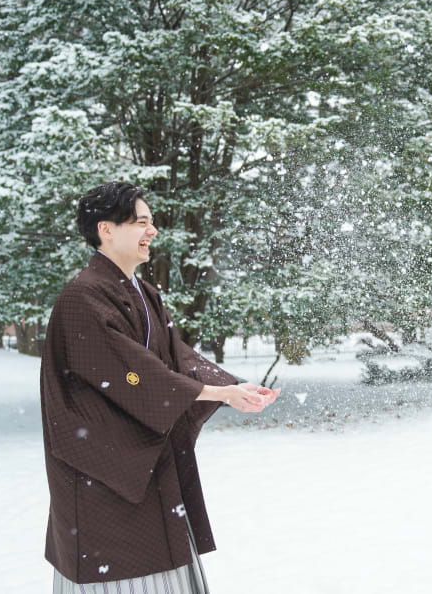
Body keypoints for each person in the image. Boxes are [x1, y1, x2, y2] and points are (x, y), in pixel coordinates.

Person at [40, 182, 279, 593]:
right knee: (120, 566)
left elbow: (175, 356)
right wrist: (216, 393)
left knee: (159, 555)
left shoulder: (142, 291)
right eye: (141, 223)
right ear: (106, 230)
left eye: (152, 223)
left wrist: (231, 386)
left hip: (144, 454)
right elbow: (131, 372)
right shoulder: (83, 297)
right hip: (105, 462)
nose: (152, 232)